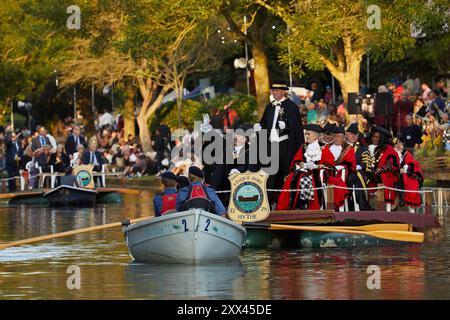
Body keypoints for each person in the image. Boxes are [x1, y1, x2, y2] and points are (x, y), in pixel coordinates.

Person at [255, 82, 304, 207]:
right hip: (272, 145)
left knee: (286, 174)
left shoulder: (291, 106)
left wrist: (286, 126)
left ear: (283, 92)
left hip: (285, 145)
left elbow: (296, 128)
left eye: (277, 90)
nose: (274, 92)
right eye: (273, 90)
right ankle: (269, 204)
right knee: (270, 175)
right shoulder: (269, 106)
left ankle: (289, 203)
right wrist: (259, 127)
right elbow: (264, 124)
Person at [277, 124, 334, 210]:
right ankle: (290, 206)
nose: (306, 136)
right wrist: (303, 165)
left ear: (315, 136)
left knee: (308, 180)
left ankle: (309, 206)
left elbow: (329, 165)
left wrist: (316, 166)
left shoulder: (324, 148)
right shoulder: (304, 146)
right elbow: (296, 160)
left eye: (308, 134)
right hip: (303, 171)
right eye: (306, 134)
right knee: (291, 179)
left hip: (317, 173)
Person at [323, 125, 356, 211]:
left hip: (342, 175)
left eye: (339, 136)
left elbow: (351, 164)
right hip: (328, 174)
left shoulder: (349, 148)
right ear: (332, 136)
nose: (337, 138)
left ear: (344, 137)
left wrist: (339, 167)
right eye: (335, 136)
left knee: (338, 179)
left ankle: (338, 206)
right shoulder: (326, 147)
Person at [367, 126, 400, 211]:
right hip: (373, 176)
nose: (374, 139)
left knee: (384, 177)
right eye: (373, 137)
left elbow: (391, 164)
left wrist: (380, 170)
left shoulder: (389, 149)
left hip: (385, 175)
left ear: (382, 138)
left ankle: (387, 208)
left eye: (377, 137)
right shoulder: (375, 148)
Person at [345, 123, 372, 210]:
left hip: (359, 174)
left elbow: (366, 164)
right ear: (346, 134)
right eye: (351, 134)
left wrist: (358, 167)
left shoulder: (362, 148)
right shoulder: (341, 146)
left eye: (355, 134)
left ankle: (361, 207)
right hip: (343, 174)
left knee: (357, 176)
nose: (353, 136)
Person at [393, 137, 423, 212]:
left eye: (400, 143)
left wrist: (401, 171)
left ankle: (411, 213)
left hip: (405, 179)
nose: (399, 145)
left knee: (408, 192)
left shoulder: (407, 155)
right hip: (395, 178)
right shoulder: (393, 154)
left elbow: (409, 167)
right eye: (397, 144)